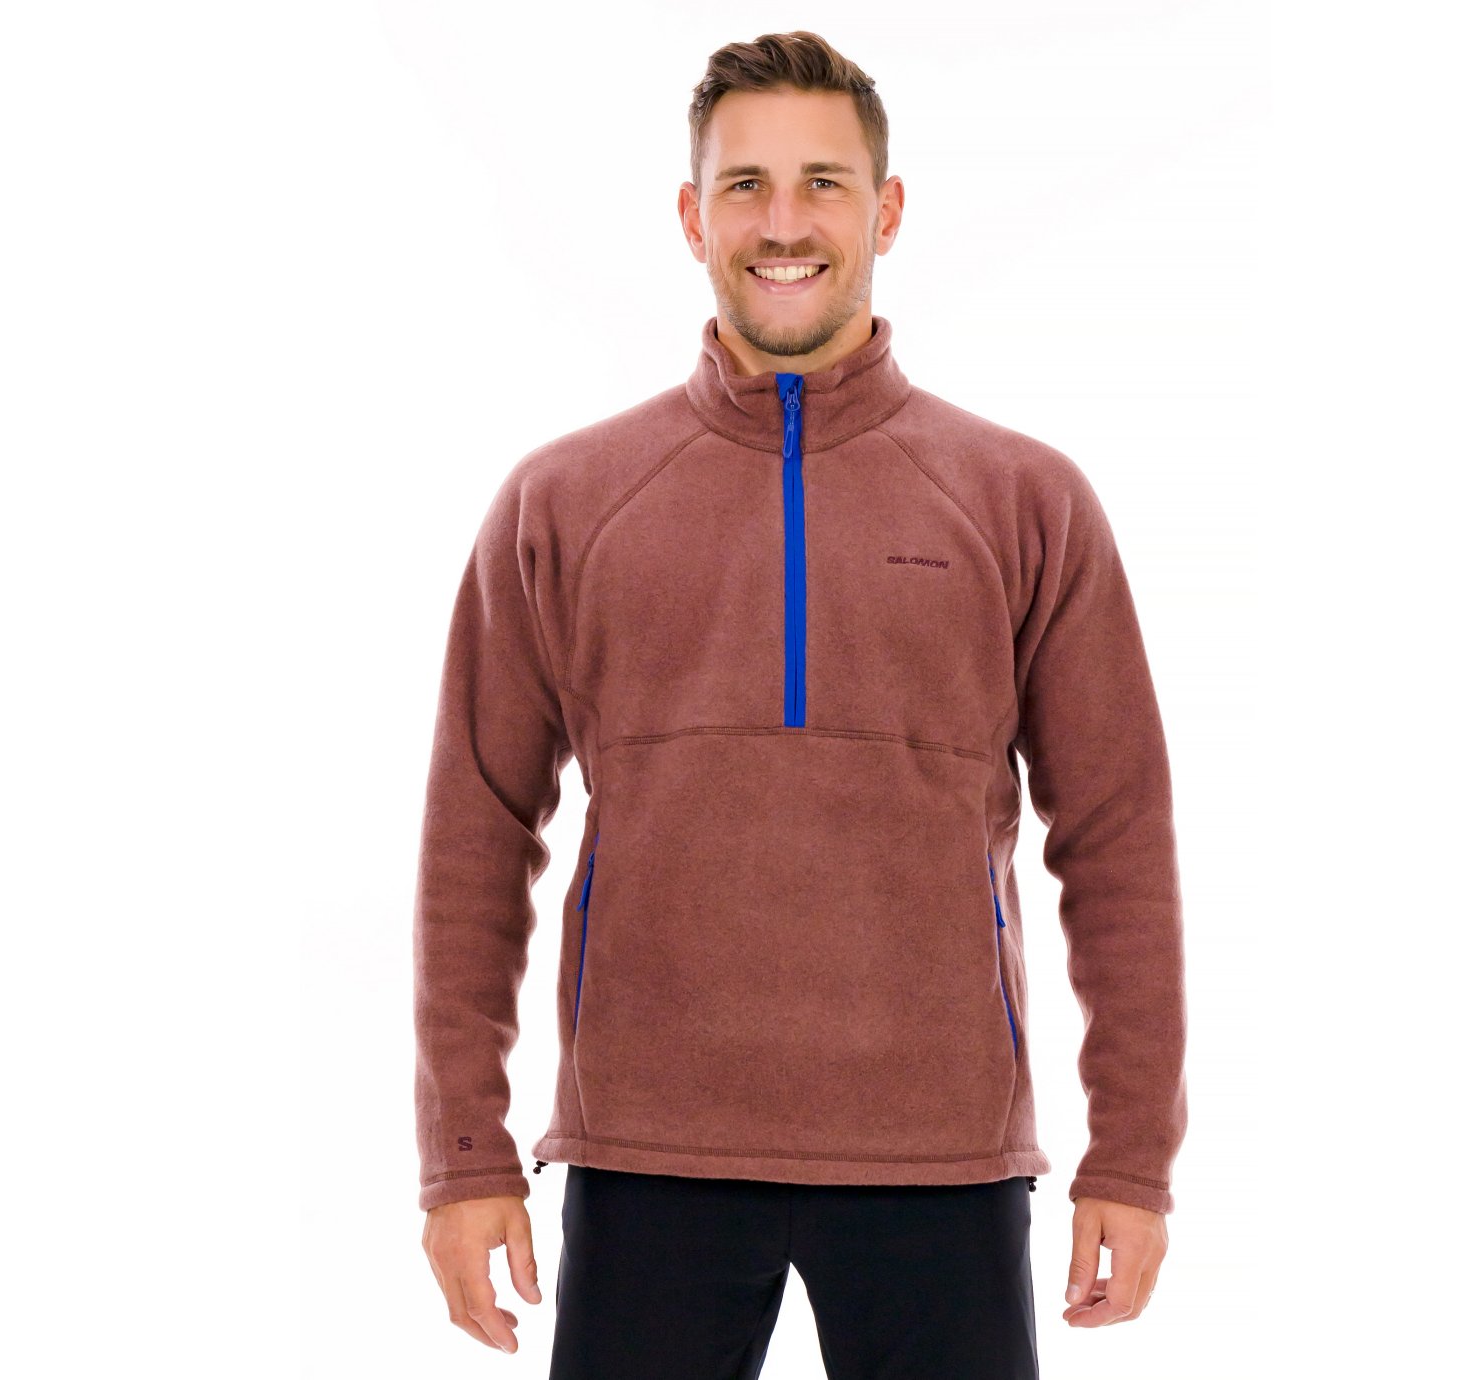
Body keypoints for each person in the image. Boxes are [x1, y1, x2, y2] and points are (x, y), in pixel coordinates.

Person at [412, 30, 1187, 1377]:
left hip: (938, 1160)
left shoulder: (1023, 499)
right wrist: (464, 1154)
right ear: (690, 216)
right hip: (647, 1153)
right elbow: (473, 839)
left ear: (886, 211)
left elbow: (1115, 837)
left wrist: (1131, 1156)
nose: (783, 225)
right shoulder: (564, 502)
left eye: (823, 183)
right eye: (745, 186)